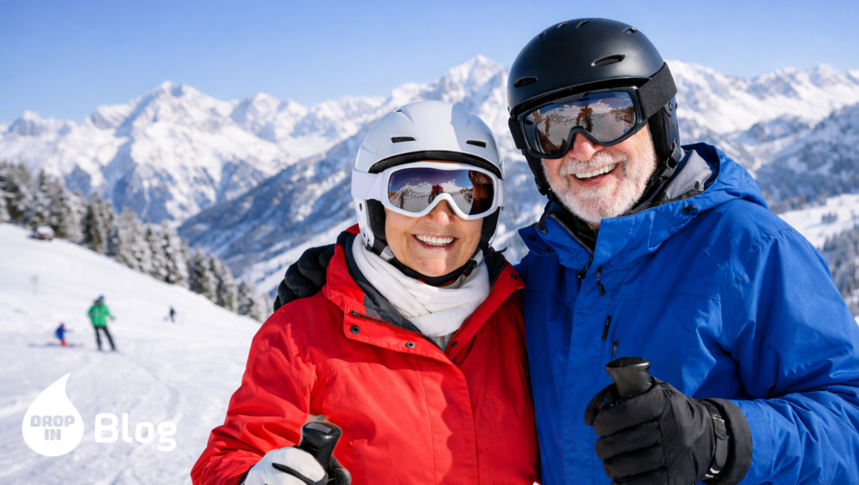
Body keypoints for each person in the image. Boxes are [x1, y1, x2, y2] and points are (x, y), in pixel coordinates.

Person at [276, 18, 859, 485]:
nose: (582, 147)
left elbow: (848, 418)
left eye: (609, 116)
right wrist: (350, 286)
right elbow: (445, 331)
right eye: (551, 128)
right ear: (533, 153)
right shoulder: (541, 277)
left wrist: (720, 439)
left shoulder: (750, 249)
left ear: (657, 118)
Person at [191, 101, 539, 485]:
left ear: (490, 213)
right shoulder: (298, 336)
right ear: (373, 204)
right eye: (413, 191)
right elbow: (229, 457)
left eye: (468, 193)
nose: (443, 215)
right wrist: (252, 480)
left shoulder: (523, 318)